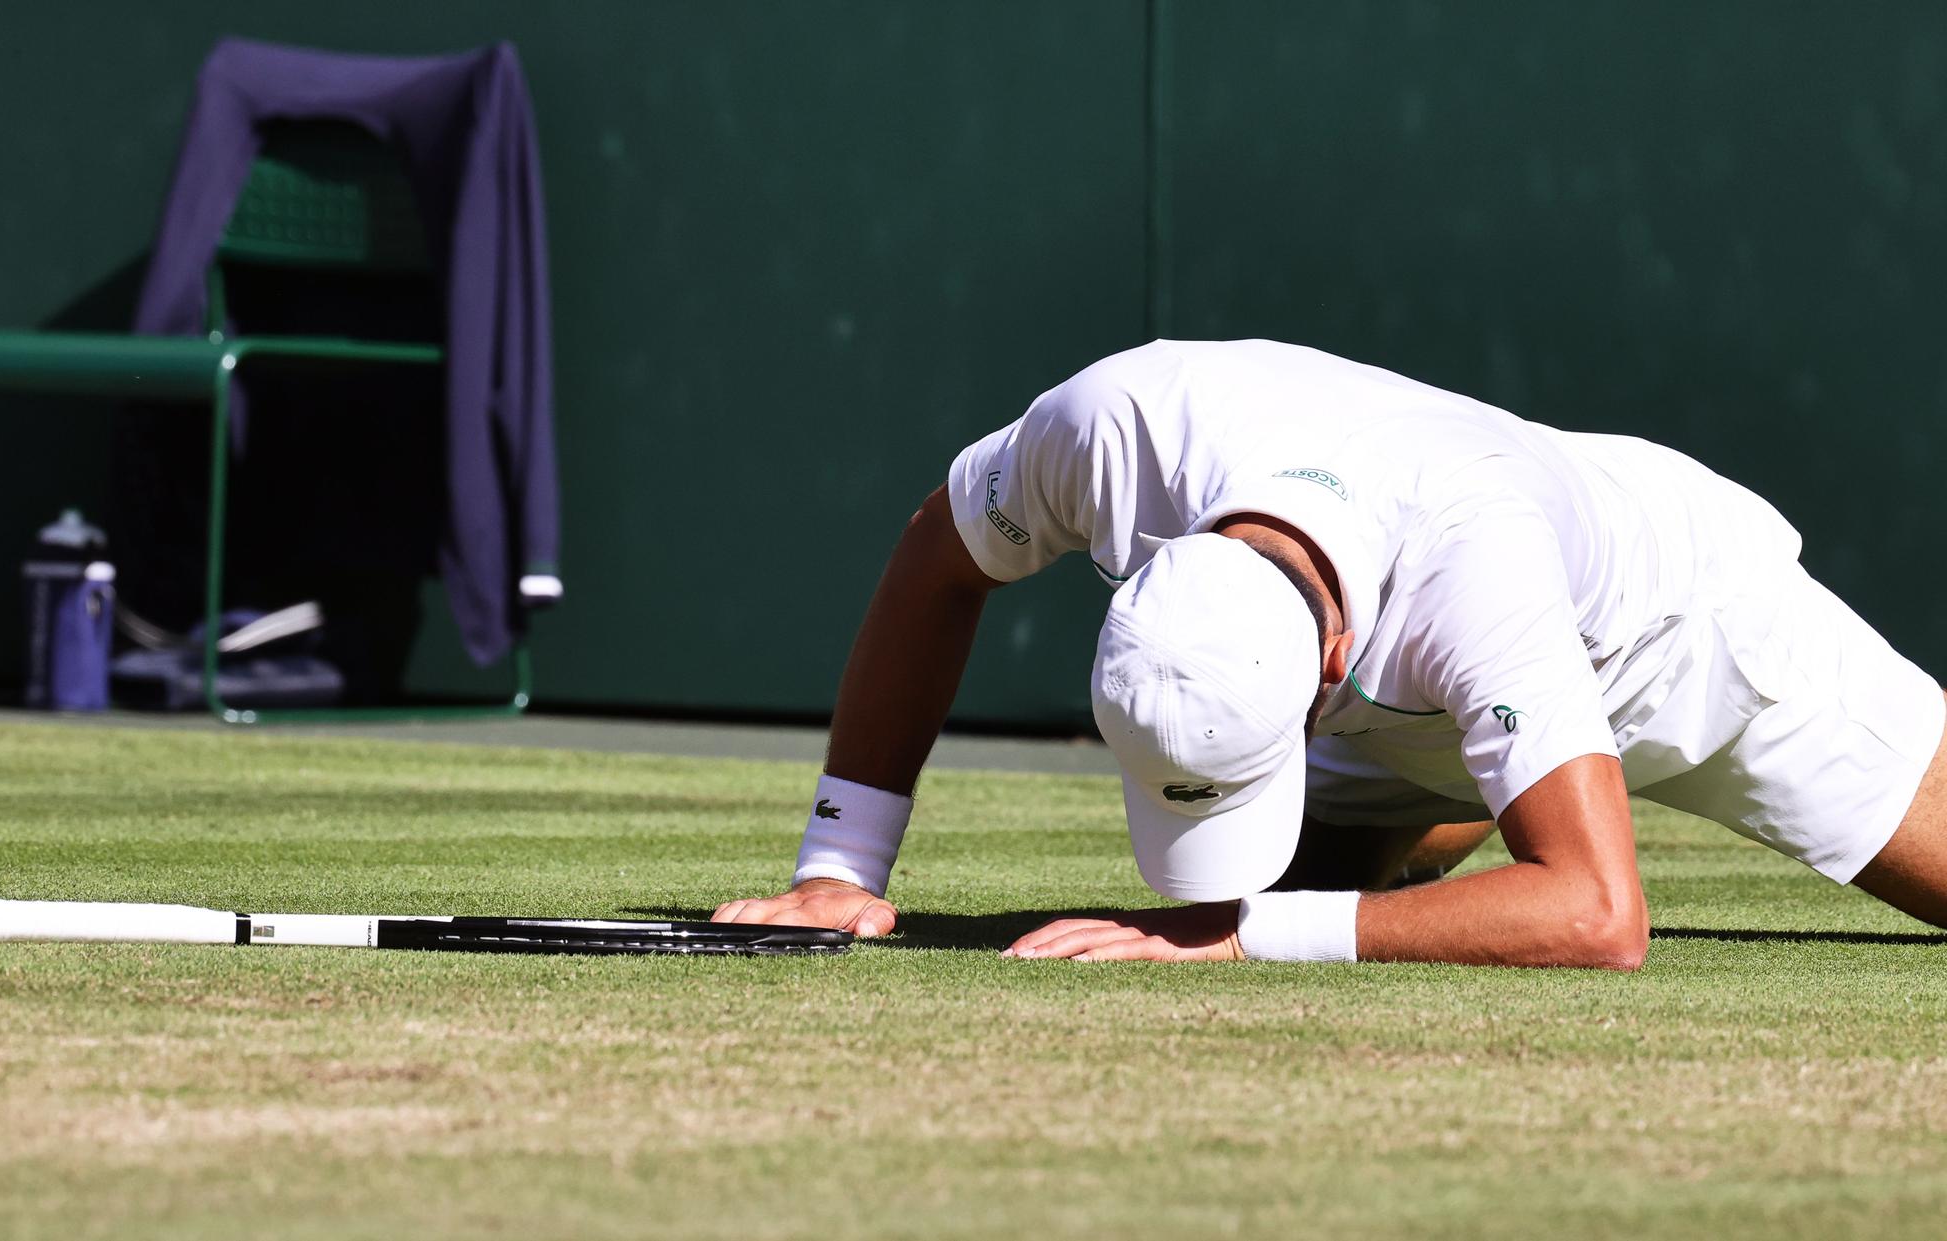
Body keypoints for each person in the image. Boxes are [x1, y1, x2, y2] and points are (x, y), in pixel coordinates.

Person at [712, 340, 1947, 968]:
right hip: (1422, 693)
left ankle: (1469, 779)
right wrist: (837, 865)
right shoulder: (1113, 430)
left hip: (1691, 644)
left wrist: (1256, 936)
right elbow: (940, 549)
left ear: (1333, 660)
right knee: (1268, 886)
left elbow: (1599, 913)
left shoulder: (1477, 575)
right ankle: (1452, 783)